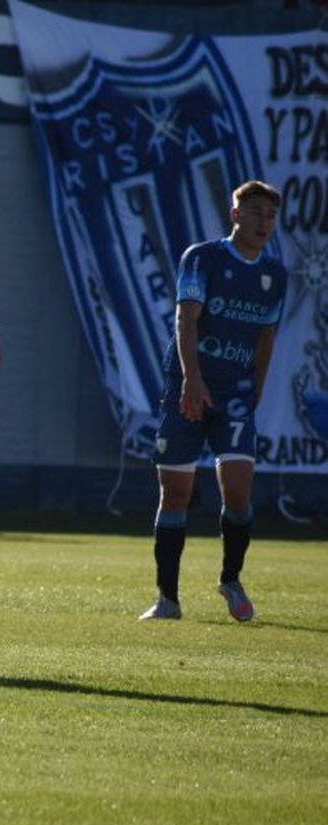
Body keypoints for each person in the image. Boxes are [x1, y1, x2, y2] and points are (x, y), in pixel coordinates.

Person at [141, 180, 286, 623]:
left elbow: (265, 336)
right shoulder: (202, 258)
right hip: (189, 383)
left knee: (239, 487)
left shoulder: (275, 275)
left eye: (270, 215)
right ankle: (168, 598)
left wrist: (256, 388)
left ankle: (231, 578)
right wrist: (191, 380)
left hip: (235, 392)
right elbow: (186, 320)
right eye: (256, 212)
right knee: (177, 491)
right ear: (235, 214)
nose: (264, 222)